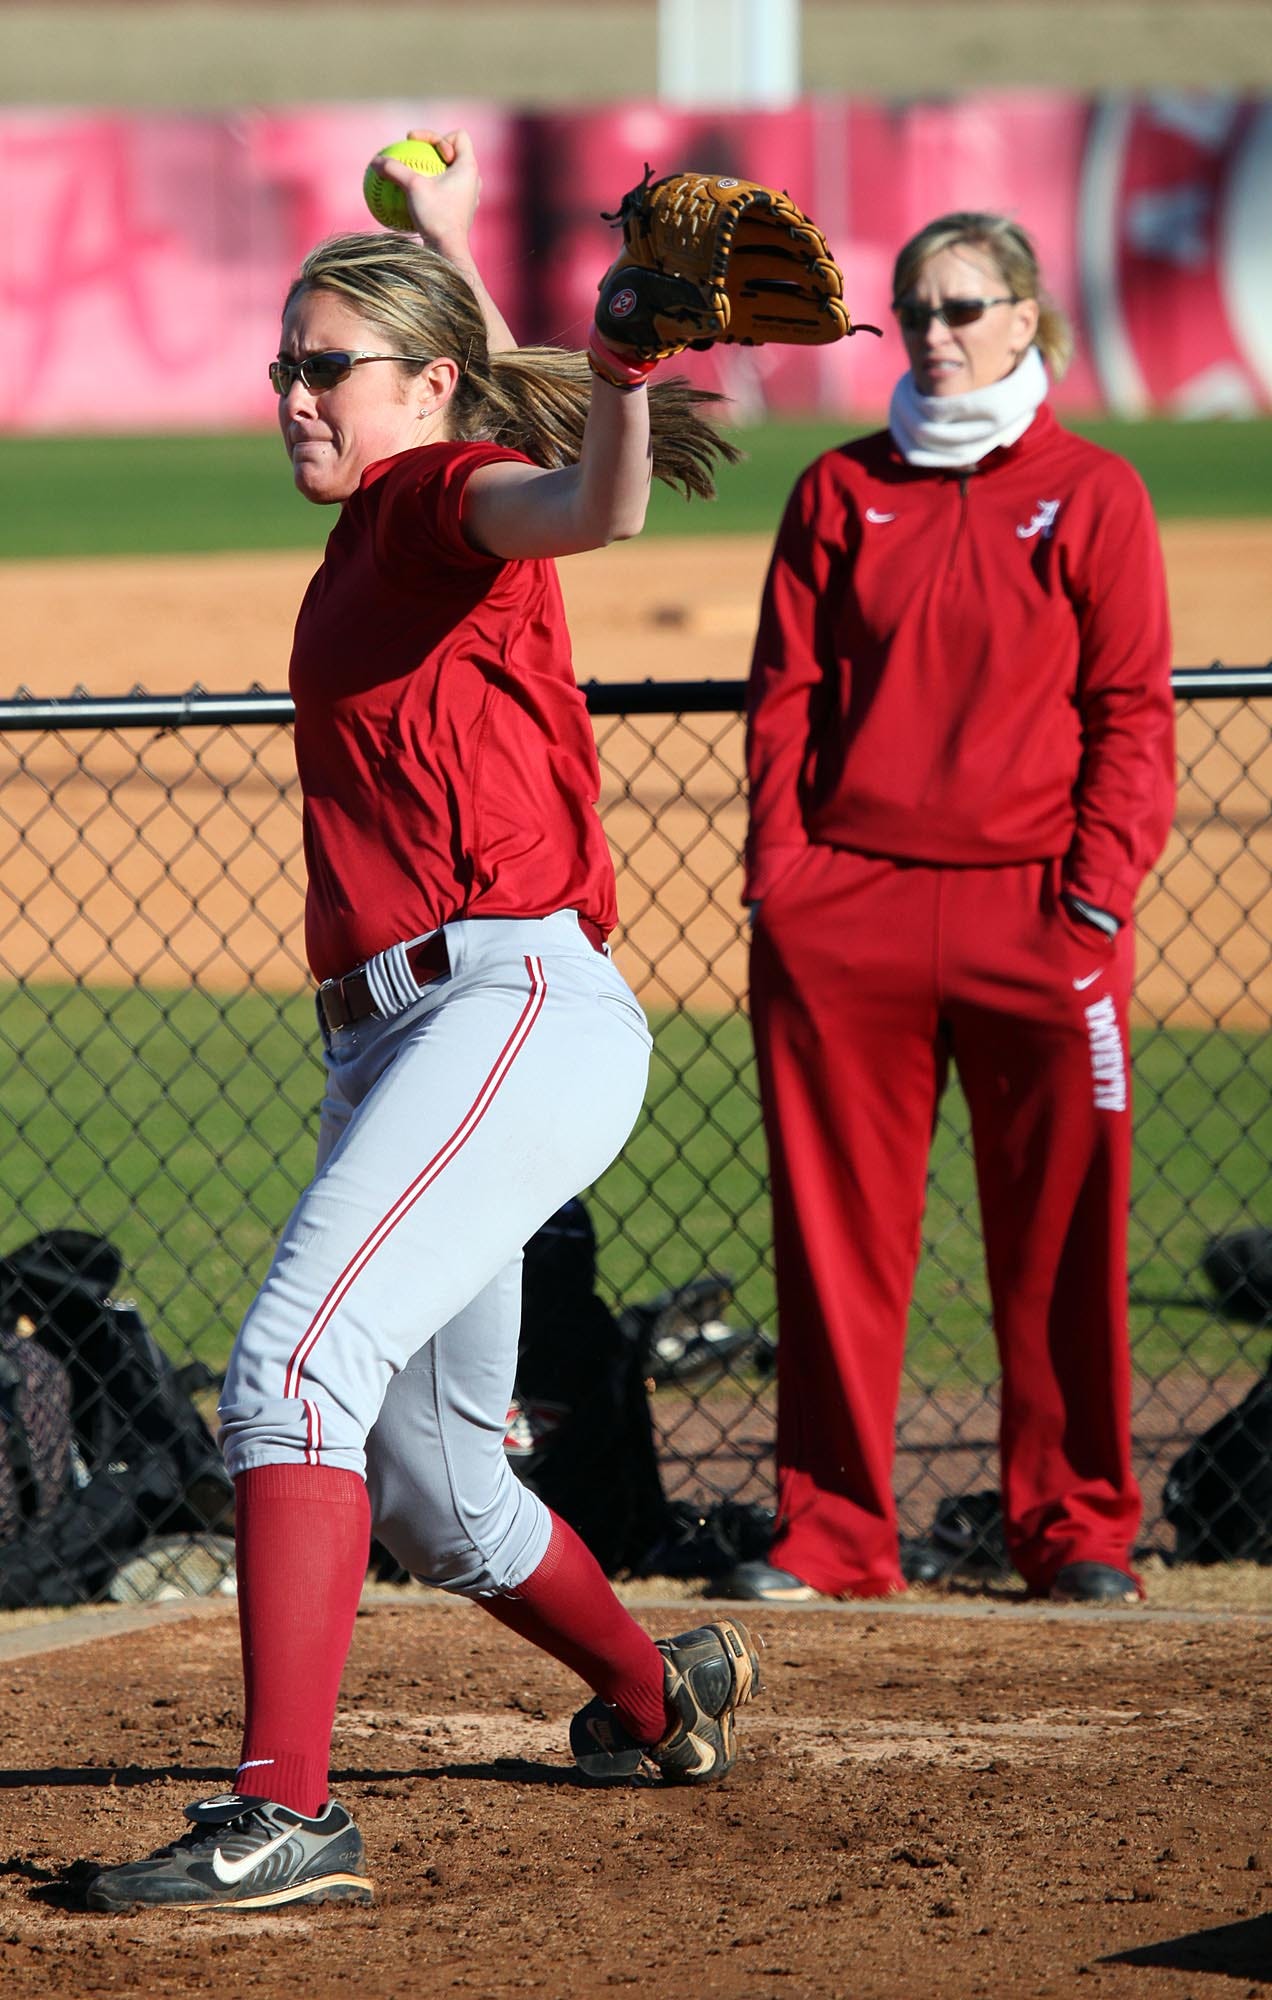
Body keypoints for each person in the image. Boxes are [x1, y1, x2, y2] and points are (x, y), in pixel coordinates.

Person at [87, 128, 759, 1914]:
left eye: (329, 367)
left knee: (291, 1372)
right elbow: (541, 482)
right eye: (283, 364)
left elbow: (590, 506)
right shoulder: (405, 525)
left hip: (507, 1005)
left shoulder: (428, 498)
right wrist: (458, 244)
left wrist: (618, 375)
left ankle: (284, 1814)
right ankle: (653, 1689)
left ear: (430, 384)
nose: (294, 393)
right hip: (405, 1037)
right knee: (444, 1498)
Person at [720, 211, 1175, 1609]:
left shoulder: (1096, 492)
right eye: (913, 310)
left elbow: (1132, 714)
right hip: (845, 920)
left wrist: (1092, 906)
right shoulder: (838, 490)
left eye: (965, 306)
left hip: (1040, 923)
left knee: (1066, 1242)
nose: (934, 332)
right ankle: (836, 1536)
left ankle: (1077, 1529)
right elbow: (784, 703)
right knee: (833, 1243)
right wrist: (787, 887)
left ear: (1027, 316)